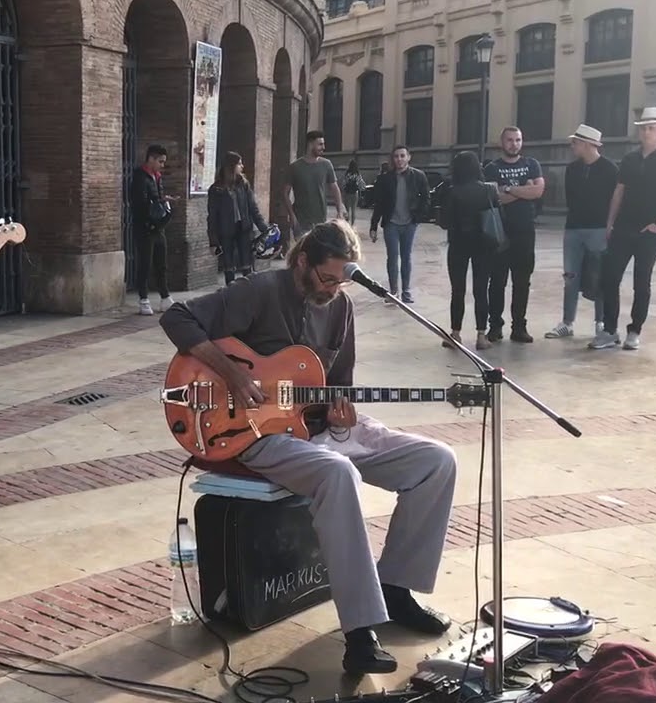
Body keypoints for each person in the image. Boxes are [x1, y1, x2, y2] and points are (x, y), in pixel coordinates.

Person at [159, 221, 457, 675]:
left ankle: (396, 587)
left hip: (319, 427)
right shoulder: (260, 290)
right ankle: (360, 632)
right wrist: (234, 375)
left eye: (341, 282)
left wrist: (341, 411)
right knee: (338, 473)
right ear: (302, 262)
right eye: (327, 278)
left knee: (436, 461)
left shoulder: (340, 306)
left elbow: (339, 385)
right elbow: (177, 317)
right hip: (259, 434)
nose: (333, 289)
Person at [590, 106, 656, 351]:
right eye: (643, 128)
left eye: (651, 128)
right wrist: (610, 222)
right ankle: (609, 330)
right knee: (610, 278)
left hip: (649, 232)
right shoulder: (630, 159)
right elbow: (619, 192)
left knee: (641, 283)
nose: (646, 133)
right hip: (623, 228)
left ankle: (635, 330)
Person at [545, 124, 619, 341]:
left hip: (599, 228)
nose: (572, 146)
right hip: (574, 228)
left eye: (575, 143)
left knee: (599, 276)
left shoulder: (610, 169)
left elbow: (615, 200)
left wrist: (610, 224)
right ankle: (567, 322)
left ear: (588, 145)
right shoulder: (572, 169)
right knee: (570, 276)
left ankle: (600, 322)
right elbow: (571, 198)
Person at [483, 127, 546, 343]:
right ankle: (495, 326)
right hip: (499, 232)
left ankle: (519, 327)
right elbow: (495, 198)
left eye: (518, 140)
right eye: (510, 140)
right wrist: (523, 190)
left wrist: (508, 189)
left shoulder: (531, 164)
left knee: (522, 282)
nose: (514, 144)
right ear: (502, 142)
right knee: (497, 282)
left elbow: (538, 191)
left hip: (525, 232)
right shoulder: (492, 168)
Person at [439, 151, 500, 351]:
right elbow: (498, 214)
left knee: (457, 290)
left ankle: (455, 334)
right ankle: (481, 335)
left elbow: (444, 221)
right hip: (484, 245)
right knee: (481, 290)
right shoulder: (489, 190)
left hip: (458, 244)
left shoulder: (452, 191)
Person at [368, 145, 430, 302]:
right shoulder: (385, 179)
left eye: (402, 156)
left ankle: (406, 291)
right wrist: (374, 225)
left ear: (409, 157)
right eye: (396, 156)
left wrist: (418, 216)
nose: (399, 159)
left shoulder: (418, 176)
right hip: (391, 224)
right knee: (392, 257)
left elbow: (426, 198)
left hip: (409, 223)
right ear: (392, 159)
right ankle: (394, 291)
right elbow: (379, 203)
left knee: (406, 256)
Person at [208, 151, 272, 285]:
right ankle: (231, 291)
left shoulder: (243, 184)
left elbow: (253, 208)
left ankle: (248, 290)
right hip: (226, 231)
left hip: (244, 229)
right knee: (228, 265)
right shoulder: (216, 189)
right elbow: (212, 216)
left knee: (247, 263)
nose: (242, 166)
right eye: (239, 164)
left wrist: (264, 228)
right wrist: (213, 241)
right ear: (231, 166)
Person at [130, 144, 178, 315]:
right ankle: (143, 298)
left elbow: (156, 197)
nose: (162, 165)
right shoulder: (140, 177)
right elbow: (140, 203)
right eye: (160, 161)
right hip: (145, 227)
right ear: (151, 159)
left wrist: (164, 201)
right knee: (145, 263)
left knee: (161, 263)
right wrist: (159, 202)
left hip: (158, 226)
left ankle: (165, 296)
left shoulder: (157, 177)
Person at [283, 130, 345, 241]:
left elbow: (335, 188)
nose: (323, 147)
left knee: (318, 249)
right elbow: (285, 193)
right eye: (320, 144)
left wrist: (339, 212)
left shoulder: (326, 165)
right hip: (300, 221)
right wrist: (292, 215)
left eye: (323, 144)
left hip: (320, 220)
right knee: (303, 249)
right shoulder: (295, 167)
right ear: (310, 144)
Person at [340, 159, 365, 226]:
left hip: (347, 193)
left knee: (347, 209)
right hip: (355, 193)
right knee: (353, 210)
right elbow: (361, 184)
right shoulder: (357, 174)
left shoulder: (347, 174)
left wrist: (343, 190)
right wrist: (362, 189)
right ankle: (352, 225)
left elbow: (343, 183)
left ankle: (347, 224)